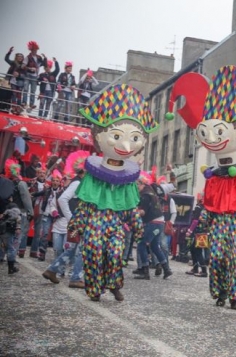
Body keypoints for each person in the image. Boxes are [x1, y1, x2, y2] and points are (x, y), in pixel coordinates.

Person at [166, 65, 236, 310]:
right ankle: (219, 292)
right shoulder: (213, 177)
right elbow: (209, 206)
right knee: (217, 257)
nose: (211, 139)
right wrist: (204, 223)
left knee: (233, 258)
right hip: (219, 223)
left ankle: (234, 295)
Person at [68, 84, 150, 302]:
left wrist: (138, 228)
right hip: (95, 221)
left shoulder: (129, 179)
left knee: (114, 255)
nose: (124, 144)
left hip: (114, 223)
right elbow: (85, 203)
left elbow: (131, 207)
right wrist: (76, 223)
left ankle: (114, 284)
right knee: (93, 253)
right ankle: (94, 289)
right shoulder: (93, 174)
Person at [42, 151, 89, 288]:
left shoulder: (79, 183)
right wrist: (71, 218)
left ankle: (52, 270)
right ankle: (76, 277)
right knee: (81, 249)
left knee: (73, 249)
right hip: (78, 223)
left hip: (77, 222)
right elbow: (62, 199)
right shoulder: (77, 183)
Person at [134, 177, 172, 280]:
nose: (136, 188)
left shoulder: (145, 196)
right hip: (160, 222)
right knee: (155, 246)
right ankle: (167, 269)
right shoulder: (151, 192)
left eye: (137, 185)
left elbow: (143, 212)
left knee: (142, 244)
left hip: (152, 223)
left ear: (142, 184)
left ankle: (145, 272)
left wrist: (134, 212)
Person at [6, 159, 33, 259]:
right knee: (17, 236)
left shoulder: (7, 182)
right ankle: (12, 259)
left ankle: (2, 256)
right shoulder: (21, 184)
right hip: (20, 212)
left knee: (8, 235)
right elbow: (26, 199)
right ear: (18, 171)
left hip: (8, 212)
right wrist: (31, 212)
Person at [185, 193, 209, 277]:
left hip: (199, 232)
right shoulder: (207, 208)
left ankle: (203, 270)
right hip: (204, 232)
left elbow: (195, 221)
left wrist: (189, 230)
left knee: (197, 250)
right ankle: (195, 268)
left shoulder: (198, 208)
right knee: (193, 249)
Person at [0, 196, 21, 274]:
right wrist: (18, 228)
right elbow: (17, 218)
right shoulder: (13, 207)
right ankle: (11, 267)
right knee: (10, 248)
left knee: (2, 246)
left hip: (2, 229)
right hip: (8, 229)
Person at [21, 41, 43, 112]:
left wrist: (45, 58)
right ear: (31, 50)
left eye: (36, 49)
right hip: (27, 75)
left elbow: (43, 64)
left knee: (33, 91)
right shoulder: (27, 57)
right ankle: (24, 102)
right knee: (26, 89)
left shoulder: (39, 58)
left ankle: (31, 104)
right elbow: (23, 66)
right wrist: (30, 68)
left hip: (35, 76)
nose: (35, 51)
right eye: (34, 49)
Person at [4, 47, 25, 115]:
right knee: (14, 94)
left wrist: (19, 75)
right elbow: (6, 59)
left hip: (20, 82)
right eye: (18, 56)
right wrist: (9, 52)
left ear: (22, 58)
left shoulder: (24, 65)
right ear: (16, 57)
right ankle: (13, 108)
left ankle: (18, 108)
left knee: (19, 95)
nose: (20, 58)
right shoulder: (13, 63)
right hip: (12, 81)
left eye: (21, 57)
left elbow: (25, 74)